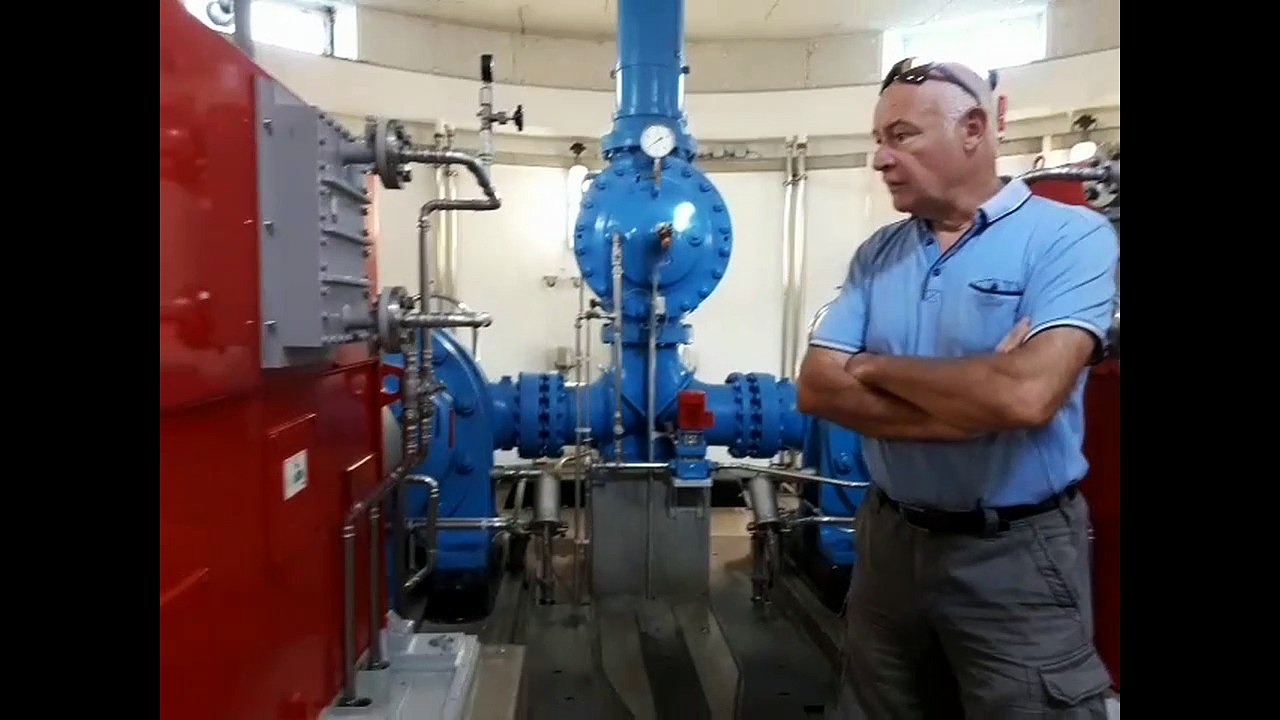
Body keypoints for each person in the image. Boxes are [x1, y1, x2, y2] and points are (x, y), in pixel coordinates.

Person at [798, 57, 1118, 719]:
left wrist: (876, 366)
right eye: (877, 141)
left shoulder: (1069, 238)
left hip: (1015, 556)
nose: (880, 159)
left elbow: (1025, 397)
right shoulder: (878, 254)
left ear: (973, 128)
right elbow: (818, 388)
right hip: (889, 546)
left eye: (901, 136)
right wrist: (969, 406)